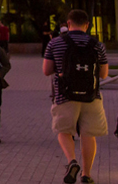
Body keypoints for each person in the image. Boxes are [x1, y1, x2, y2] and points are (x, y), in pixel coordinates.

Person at [44, 10, 109, 184]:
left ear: (68, 23)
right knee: (89, 134)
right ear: (87, 25)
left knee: (64, 131)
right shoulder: (97, 44)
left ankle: (72, 161)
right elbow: (103, 74)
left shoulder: (56, 43)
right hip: (91, 96)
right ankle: (86, 175)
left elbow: (46, 70)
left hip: (65, 96)